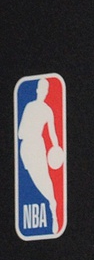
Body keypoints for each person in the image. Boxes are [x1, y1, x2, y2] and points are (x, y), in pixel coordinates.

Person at [16, 78, 61, 214]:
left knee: (44, 177)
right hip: (26, 147)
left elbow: (52, 133)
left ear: (47, 92)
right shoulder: (29, 106)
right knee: (34, 179)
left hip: (37, 146)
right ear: (37, 90)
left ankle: (53, 203)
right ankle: (51, 201)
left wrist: (57, 148)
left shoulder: (48, 111)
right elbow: (19, 133)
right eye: (41, 89)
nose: (43, 92)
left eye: (45, 90)